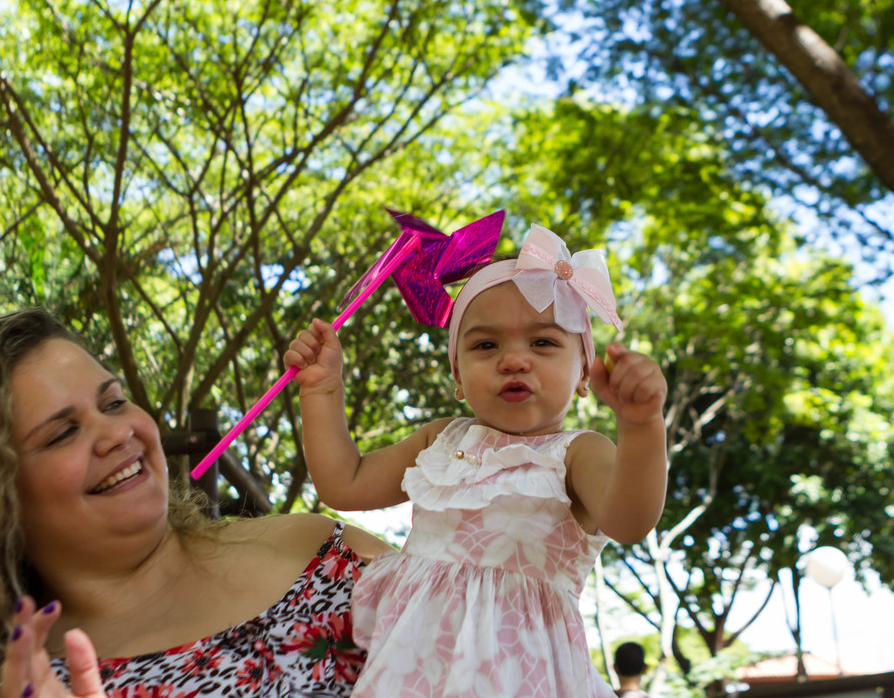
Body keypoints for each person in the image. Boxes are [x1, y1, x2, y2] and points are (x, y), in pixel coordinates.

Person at [0, 308, 390, 698]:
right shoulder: (2, 685)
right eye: (61, 434)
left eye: (113, 402)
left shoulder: (320, 551)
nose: (117, 433)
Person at [285, 224, 670, 698]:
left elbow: (630, 519)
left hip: (520, 674)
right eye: (485, 345)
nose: (513, 360)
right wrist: (323, 390)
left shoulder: (576, 453)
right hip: (413, 669)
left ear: (584, 374)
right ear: (459, 378)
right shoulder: (441, 440)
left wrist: (641, 426)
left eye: (543, 343)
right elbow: (345, 484)